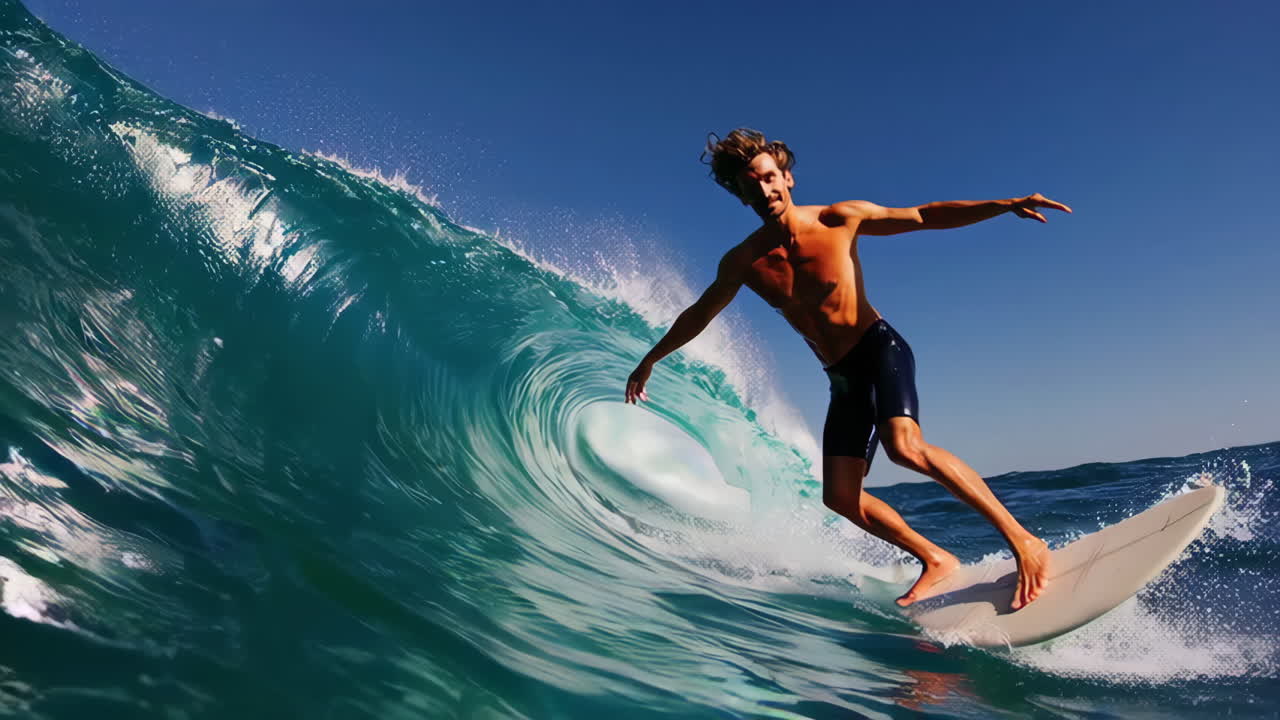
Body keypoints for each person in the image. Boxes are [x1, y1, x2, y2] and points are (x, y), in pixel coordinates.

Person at [624, 128, 1072, 609]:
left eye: (770, 178)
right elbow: (699, 313)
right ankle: (935, 558)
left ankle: (1023, 539)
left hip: (878, 349)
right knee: (839, 497)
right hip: (841, 378)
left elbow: (923, 215)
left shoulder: (840, 218)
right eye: (750, 184)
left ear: (787, 178)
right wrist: (651, 359)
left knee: (905, 447)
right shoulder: (743, 261)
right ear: (738, 193)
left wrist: (1003, 205)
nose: (764, 190)